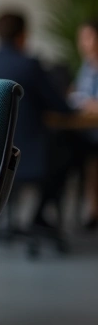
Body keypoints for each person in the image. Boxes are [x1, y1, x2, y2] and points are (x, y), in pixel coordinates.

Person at [0, 9, 75, 230]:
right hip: (26, 158)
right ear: (23, 35)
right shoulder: (29, 65)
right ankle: (39, 217)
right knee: (70, 153)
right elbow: (62, 109)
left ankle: (7, 220)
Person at [70, 18, 98, 230]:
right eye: (82, 38)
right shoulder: (87, 67)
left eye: (88, 37)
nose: (83, 43)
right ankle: (93, 211)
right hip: (87, 129)